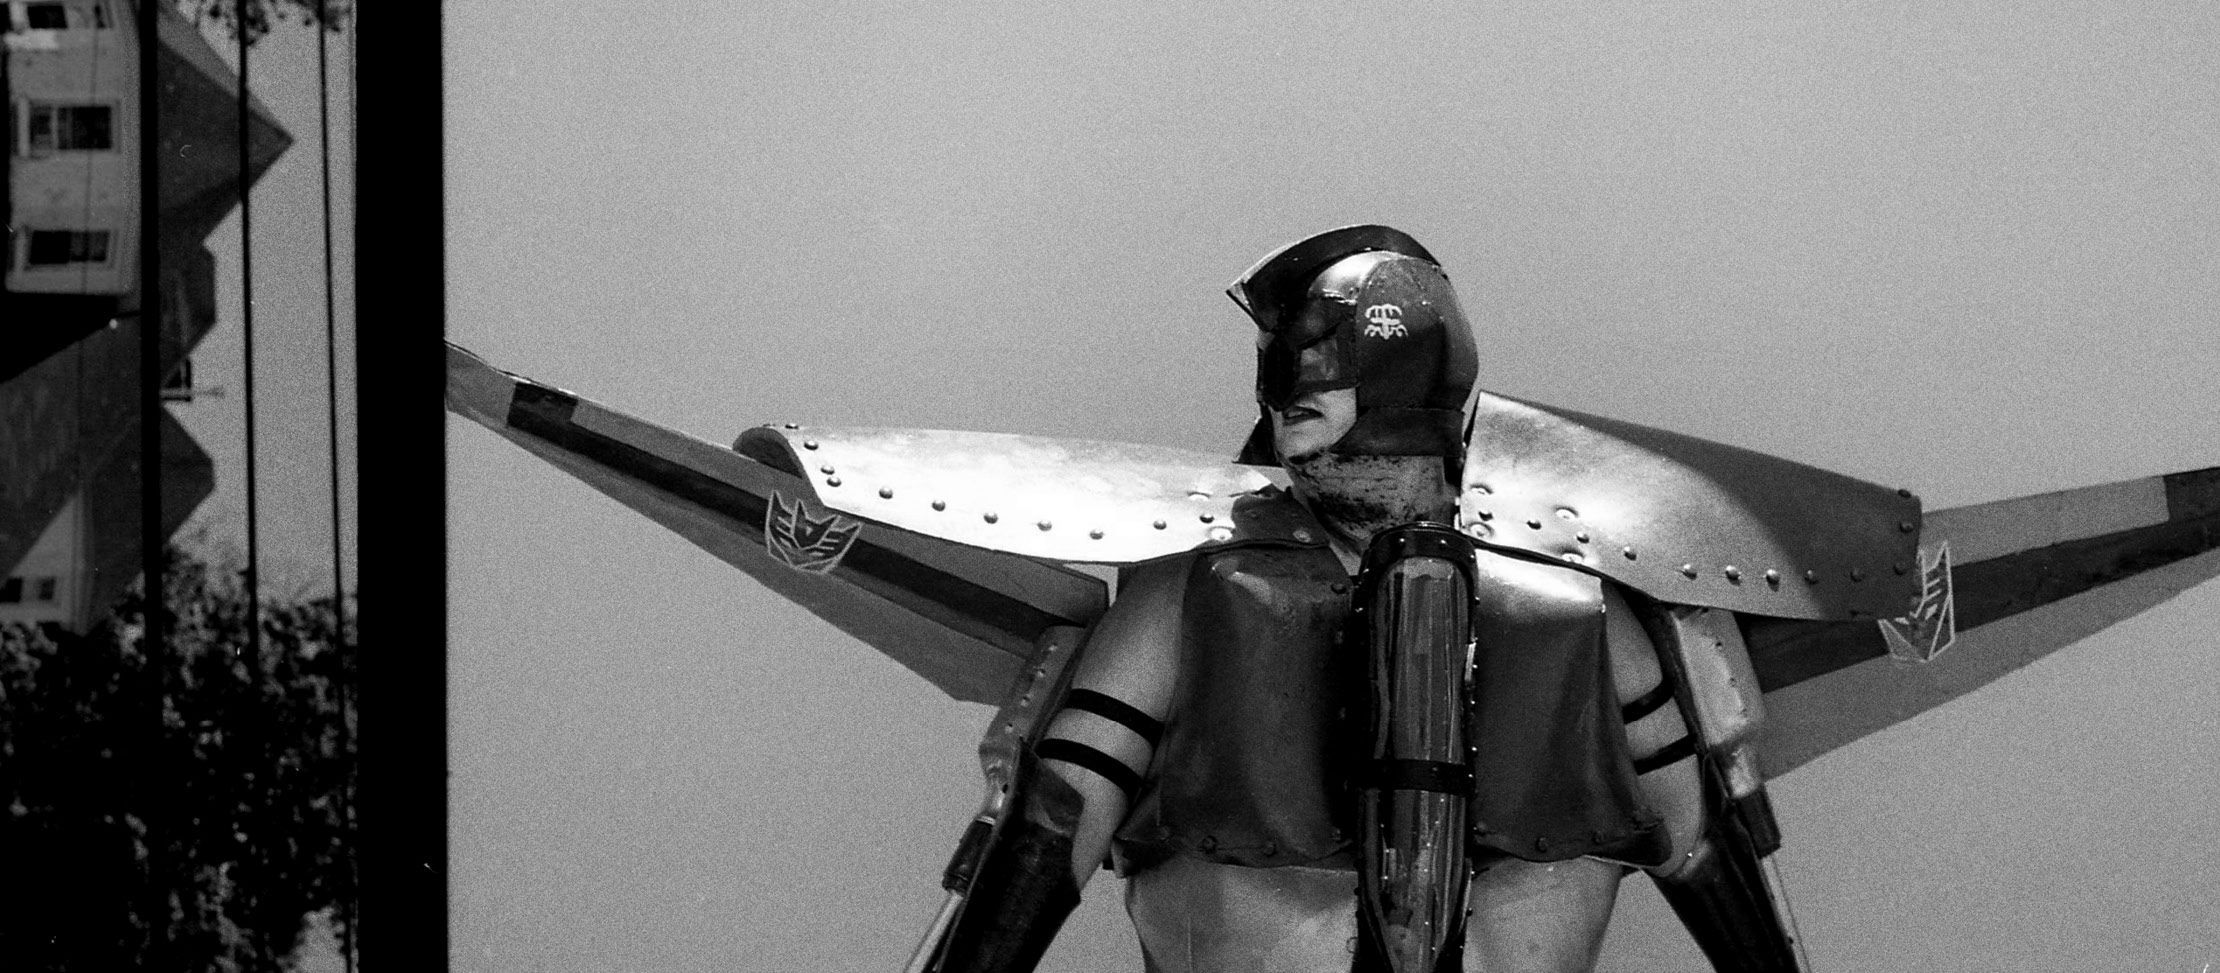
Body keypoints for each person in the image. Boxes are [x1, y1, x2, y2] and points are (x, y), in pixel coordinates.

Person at [930, 226, 1794, 973]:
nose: (1285, 388)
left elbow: (1696, 834)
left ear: (1401, 357)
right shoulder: (1190, 590)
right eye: (1280, 364)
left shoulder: (1572, 600)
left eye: (1318, 355)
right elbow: (1058, 816)